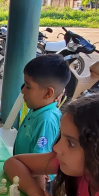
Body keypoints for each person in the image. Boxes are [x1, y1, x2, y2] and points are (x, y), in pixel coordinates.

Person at [14, 55, 71, 188]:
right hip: (26, 174)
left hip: (37, 183)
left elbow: (41, 168)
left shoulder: (46, 120)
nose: (22, 91)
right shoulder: (37, 110)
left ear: (47, 93)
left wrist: (38, 195)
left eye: (28, 87)